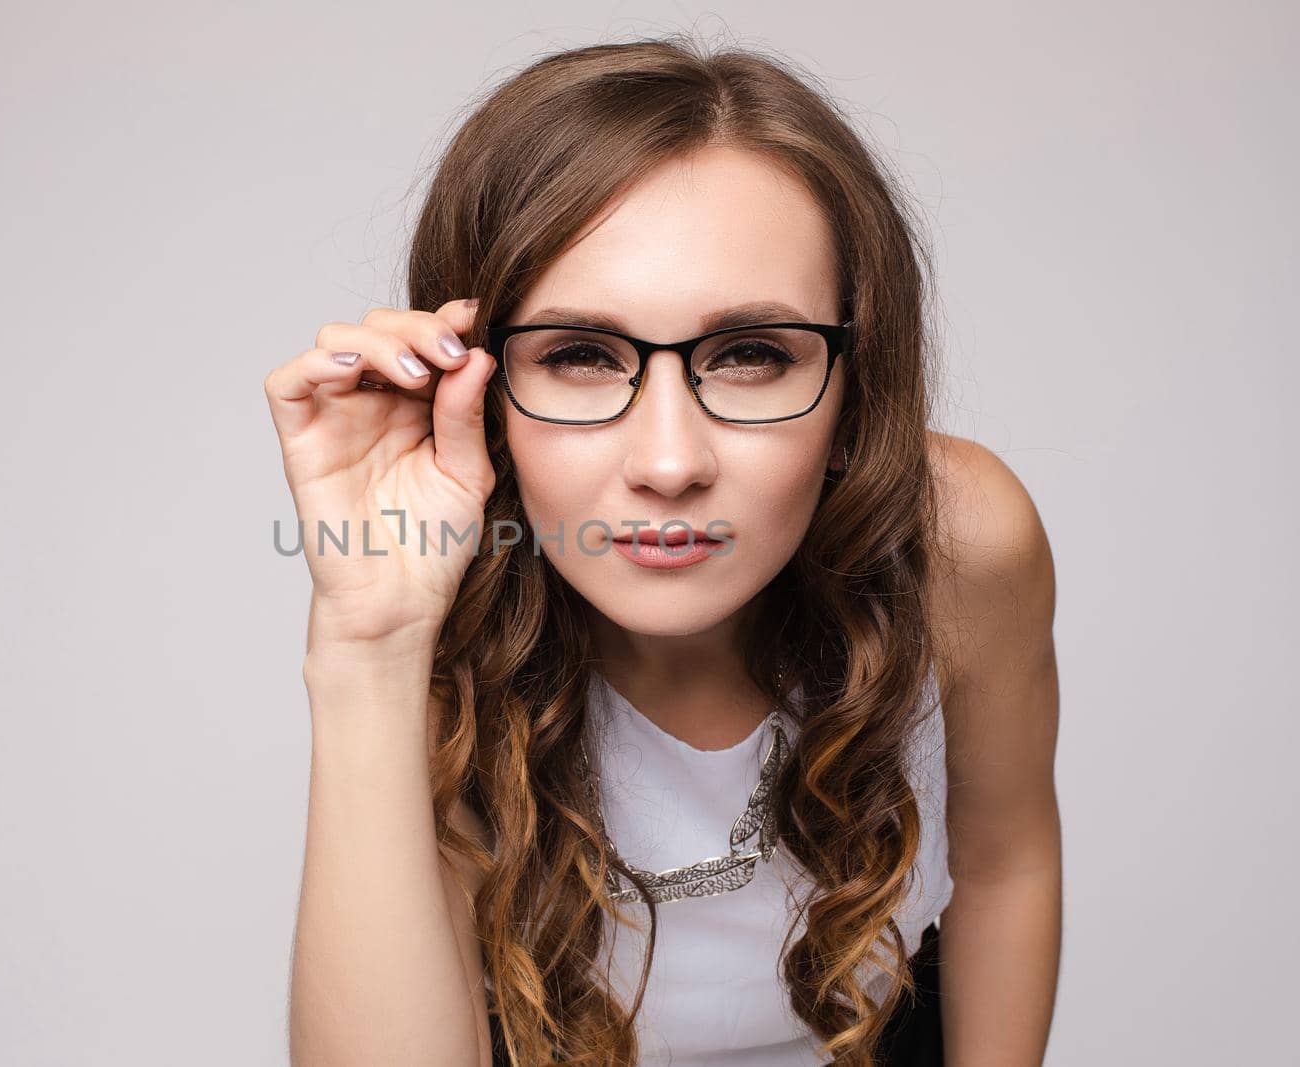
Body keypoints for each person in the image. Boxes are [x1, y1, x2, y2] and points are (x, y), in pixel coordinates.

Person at [271, 35, 1061, 1067]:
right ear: (477, 383)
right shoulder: (446, 607)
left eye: (749, 355)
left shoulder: (960, 535)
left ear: (856, 381)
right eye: (579, 355)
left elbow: (1005, 864)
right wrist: (370, 644)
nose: (669, 460)